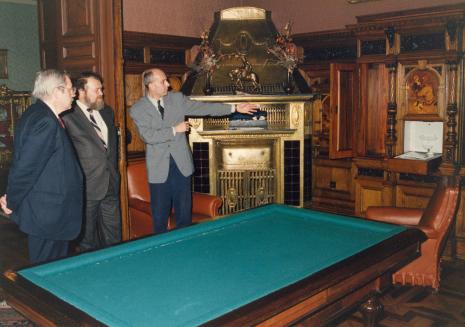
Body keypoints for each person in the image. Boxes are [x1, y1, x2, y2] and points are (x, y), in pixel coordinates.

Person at [130, 68, 257, 234]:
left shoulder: (176, 99)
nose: (168, 84)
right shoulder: (138, 109)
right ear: (151, 85)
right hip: (158, 169)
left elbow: (203, 108)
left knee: (184, 213)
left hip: (182, 165)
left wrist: (234, 108)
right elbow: (149, 136)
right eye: (163, 81)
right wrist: (175, 129)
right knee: (160, 215)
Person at [0, 69, 83, 264]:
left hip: (50, 212)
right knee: (45, 272)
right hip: (48, 215)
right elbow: (26, 168)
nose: (74, 93)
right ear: (56, 91)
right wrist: (11, 200)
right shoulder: (45, 121)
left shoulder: (37, 113)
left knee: (52, 269)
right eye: (71, 89)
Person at [61, 72, 121, 251]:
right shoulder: (67, 116)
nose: (102, 93)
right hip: (86, 187)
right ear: (81, 91)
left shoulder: (106, 111)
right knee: (86, 240)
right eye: (97, 90)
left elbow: (110, 146)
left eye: (101, 89)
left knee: (114, 236)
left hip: (110, 183)